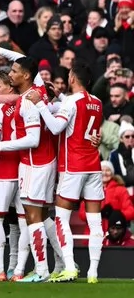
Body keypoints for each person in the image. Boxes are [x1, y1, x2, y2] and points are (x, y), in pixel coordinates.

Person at [25, 61, 104, 283]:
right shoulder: (97, 102)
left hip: (73, 166)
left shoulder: (70, 102)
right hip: (93, 166)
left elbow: (56, 127)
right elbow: (85, 124)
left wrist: (40, 104)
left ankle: (69, 267)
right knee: (95, 221)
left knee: (61, 217)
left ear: (72, 79)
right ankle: (93, 273)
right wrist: (58, 96)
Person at [0, 56, 59, 283]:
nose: (10, 74)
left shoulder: (25, 102)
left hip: (28, 166)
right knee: (35, 217)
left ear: (25, 76)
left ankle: (35, 270)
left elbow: (32, 139)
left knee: (28, 218)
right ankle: (58, 263)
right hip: (37, 163)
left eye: (14, 72)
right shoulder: (35, 94)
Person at [0, 68, 26, 281]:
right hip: (26, 169)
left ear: (10, 87)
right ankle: (18, 270)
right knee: (23, 221)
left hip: (4, 170)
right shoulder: (26, 104)